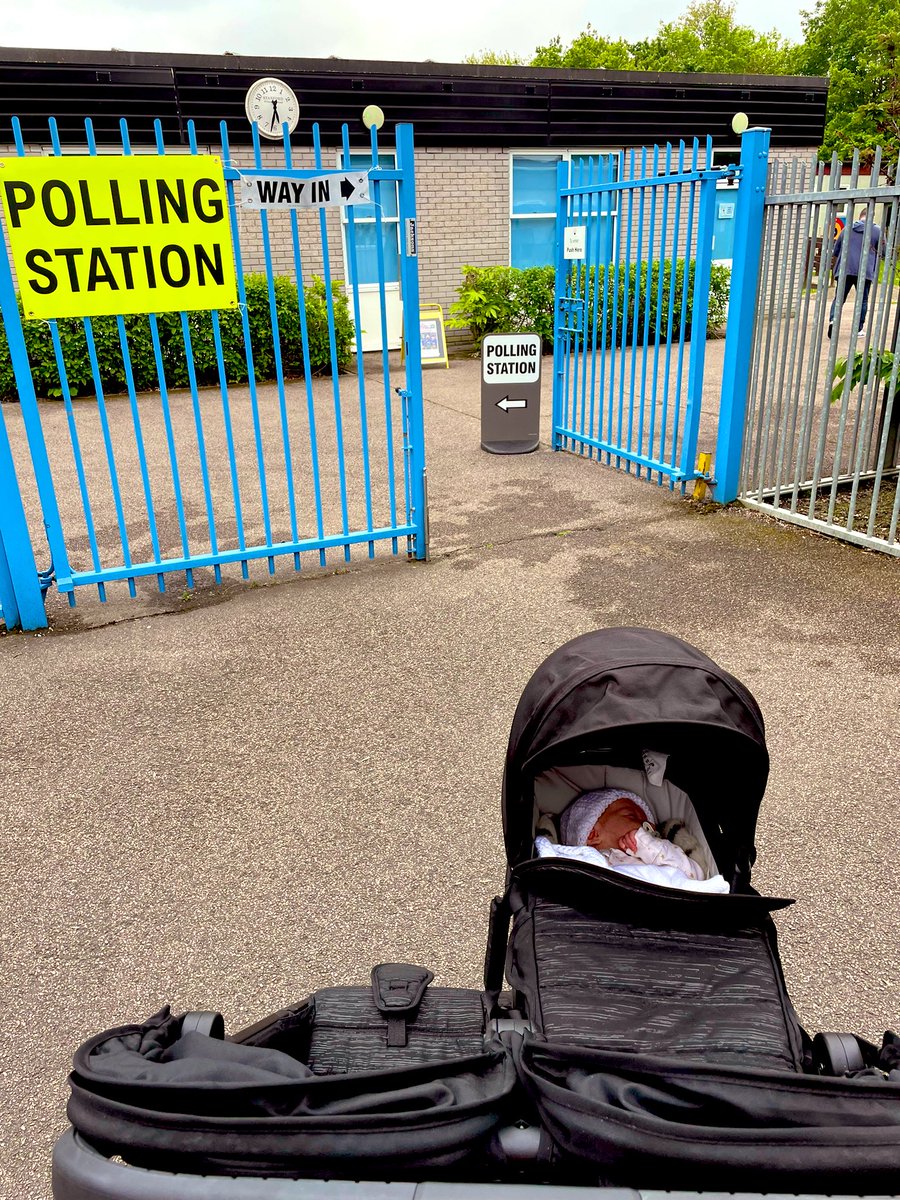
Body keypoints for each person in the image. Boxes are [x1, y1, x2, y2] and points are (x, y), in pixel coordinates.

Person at [535, 787, 730, 893]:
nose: (648, 827)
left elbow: (694, 873)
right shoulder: (587, 859)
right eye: (632, 817)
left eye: (649, 825)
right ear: (593, 835)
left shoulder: (659, 853)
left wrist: (652, 846)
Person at [829, 209, 884, 338]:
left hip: (845, 269)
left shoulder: (846, 229)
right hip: (865, 272)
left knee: (839, 298)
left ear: (860, 217)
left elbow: (836, 251)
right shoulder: (877, 231)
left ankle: (833, 320)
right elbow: (883, 252)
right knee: (862, 300)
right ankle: (858, 329)